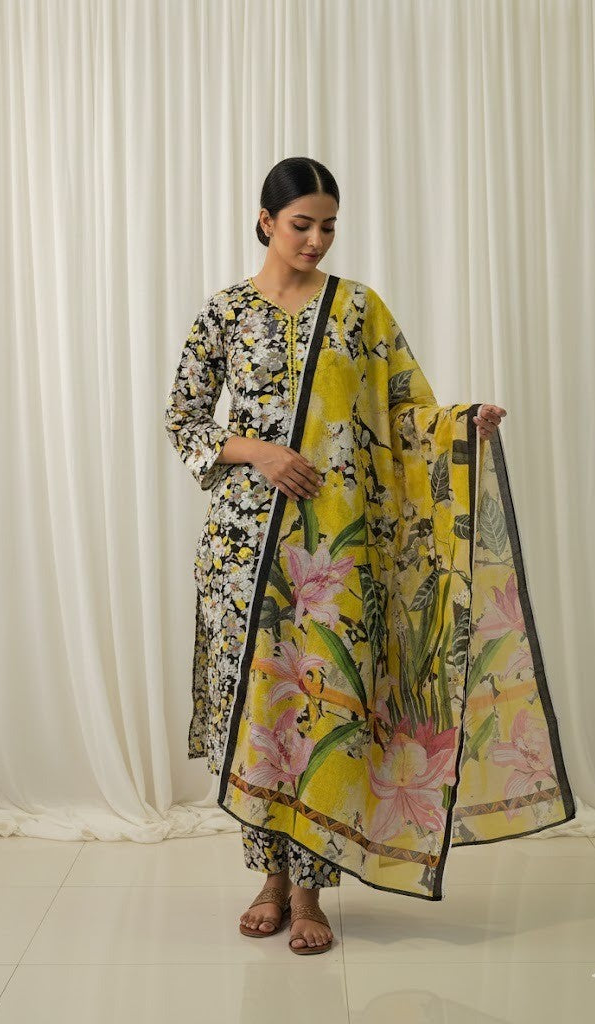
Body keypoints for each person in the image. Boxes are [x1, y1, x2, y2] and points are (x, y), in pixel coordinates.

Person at [164, 157, 505, 953]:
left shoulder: (357, 311)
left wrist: (462, 426)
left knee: (323, 709)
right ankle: (269, 879)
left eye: (327, 227)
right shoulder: (225, 314)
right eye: (300, 224)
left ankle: (312, 894)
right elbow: (184, 420)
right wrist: (259, 452)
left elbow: (405, 412)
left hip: (335, 550)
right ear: (264, 221)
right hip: (245, 548)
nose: (315, 239)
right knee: (263, 713)